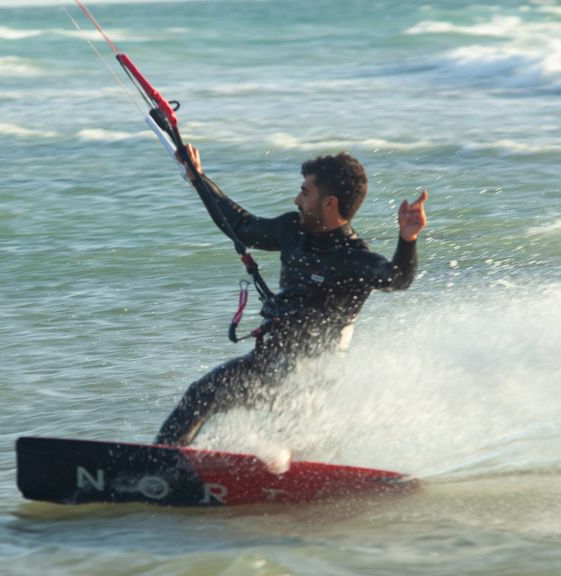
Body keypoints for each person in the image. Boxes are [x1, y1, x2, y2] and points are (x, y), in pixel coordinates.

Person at [154, 144, 428, 446]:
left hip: (310, 378)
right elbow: (241, 227)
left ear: (330, 203)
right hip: (266, 364)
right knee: (201, 395)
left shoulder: (356, 259)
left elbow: (398, 279)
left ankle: (299, 466)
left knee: (296, 437)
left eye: (306, 193)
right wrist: (198, 178)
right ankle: (163, 461)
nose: (298, 199)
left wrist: (408, 239)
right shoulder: (292, 231)